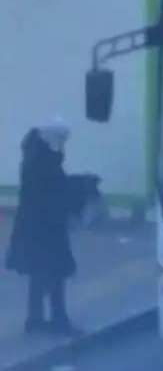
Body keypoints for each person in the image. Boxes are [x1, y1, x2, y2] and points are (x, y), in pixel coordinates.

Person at [4, 120, 84, 336]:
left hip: (35, 227)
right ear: (51, 138)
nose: (63, 144)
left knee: (39, 274)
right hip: (45, 229)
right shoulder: (44, 161)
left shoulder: (35, 157)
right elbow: (50, 193)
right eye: (61, 139)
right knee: (55, 273)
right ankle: (57, 319)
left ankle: (36, 319)